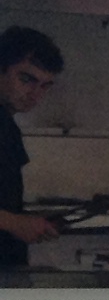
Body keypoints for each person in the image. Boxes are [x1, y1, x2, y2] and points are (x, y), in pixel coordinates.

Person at [0, 27, 65, 270]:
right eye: (26, 79)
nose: (35, 95)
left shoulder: (7, 125)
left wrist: (23, 222)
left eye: (45, 85)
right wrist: (15, 223)